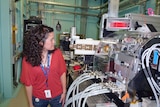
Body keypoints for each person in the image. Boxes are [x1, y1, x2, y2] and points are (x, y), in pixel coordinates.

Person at [20, 24, 67, 107]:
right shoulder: (28, 60)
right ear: (41, 42)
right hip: (39, 96)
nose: (54, 42)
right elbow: (28, 83)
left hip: (57, 95)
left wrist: (64, 91)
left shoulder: (57, 53)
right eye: (51, 40)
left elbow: (62, 72)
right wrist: (30, 104)